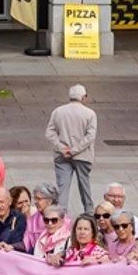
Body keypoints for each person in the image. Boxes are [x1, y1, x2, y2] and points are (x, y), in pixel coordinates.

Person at [45, 84, 96, 216]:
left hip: (62, 155)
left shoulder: (58, 111)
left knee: (63, 187)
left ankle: (61, 213)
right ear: (83, 97)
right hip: (83, 155)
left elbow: (50, 133)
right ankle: (89, 211)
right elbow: (90, 136)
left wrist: (62, 148)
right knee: (84, 184)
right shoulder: (90, 114)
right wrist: (74, 150)